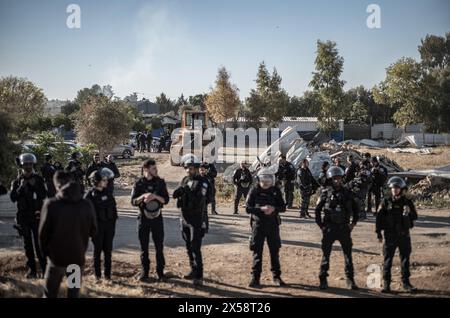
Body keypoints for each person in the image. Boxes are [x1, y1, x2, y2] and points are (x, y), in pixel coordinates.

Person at [39, 171, 97, 298]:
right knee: (73, 293)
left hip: (56, 260)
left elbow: (42, 235)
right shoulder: (86, 204)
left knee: (50, 293)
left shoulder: (51, 204)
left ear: (56, 185)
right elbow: (94, 231)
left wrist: (47, 254)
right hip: (76, 259)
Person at [315, 166, 359, 290]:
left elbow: (356, 209)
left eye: (339, 178)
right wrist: (321, 226)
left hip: (344, 228)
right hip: (329, 228)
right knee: (326, 256)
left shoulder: (347, 193)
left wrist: (353, 224)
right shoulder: (325, 193)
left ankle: (350, 280)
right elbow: (317, 211)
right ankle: (323, 279)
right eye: (334, 178)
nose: (337, 181)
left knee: (348, 256)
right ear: (330, 179)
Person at [376, 176, 418, 293]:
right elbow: (379, 218)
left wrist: (408, 213)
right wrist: (378, 233)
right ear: (390, 189)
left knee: (405, 259)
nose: (395, 189)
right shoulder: (386, 202)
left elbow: (415, 216)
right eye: (393, 187)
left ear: (401, 189)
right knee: (388, 260)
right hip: (390, 236)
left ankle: (406, 283)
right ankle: (386, 284)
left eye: (397, 187)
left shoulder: (407, 202)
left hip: (404, 235)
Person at [173, 155, 211, 286]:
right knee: (188, 246)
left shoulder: (203, 182)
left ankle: (199, 276)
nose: (188, 171)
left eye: (191, 168)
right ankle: (193, 270)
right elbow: (177, 194)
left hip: (196, 219)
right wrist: (178, 192)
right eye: (187, 168)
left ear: (196, 168)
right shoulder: (185, 179)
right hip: (184, 218)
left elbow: (200, 200)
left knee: (196, 247)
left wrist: (187, 192)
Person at [246, 168, 286, 288]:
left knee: (274, 251)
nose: (267, 181)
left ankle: (276, 277)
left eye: (269, 179)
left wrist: (274, 209)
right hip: (258, 226)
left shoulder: (275, 190)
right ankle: (255, 278)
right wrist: (261, 209)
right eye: (264, 179)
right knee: (257, 252)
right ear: (259, 179)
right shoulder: (254, 190)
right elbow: (248, 208)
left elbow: (283, 207)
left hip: (272, 225)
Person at [131, 159, 170, 281]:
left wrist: (154, 196)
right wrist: (143, 196)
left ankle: (160, 273)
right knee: (144, 248)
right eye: (153, 168)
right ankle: (145, 272)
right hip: (143, 218)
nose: (156, 170)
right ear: (146, 169)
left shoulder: (160, 182)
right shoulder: (138, 183)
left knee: (159, 246)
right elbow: (133, 201)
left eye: (156, 168)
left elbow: (166, 200)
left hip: (157, 218)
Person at [10, 153, 47, 278]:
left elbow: (44, 195)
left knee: (39, 244)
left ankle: (44, 269)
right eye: (26, 164)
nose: (28, 166)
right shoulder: (17, 181)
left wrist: (33, 186)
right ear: (21, 165)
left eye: (30, 164)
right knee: (28, 245)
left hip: (36, 216)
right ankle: (32, 270)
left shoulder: (39, 179)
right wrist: (21, 187)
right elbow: (13, 198)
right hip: (23, 217)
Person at [85, 169, 118, 281]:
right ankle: (98, 276)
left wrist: (112, 226)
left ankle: (108, 276)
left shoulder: (108, 193)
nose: (107, 181)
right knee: (97, 252)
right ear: (97, 181)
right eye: (104, 180)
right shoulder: (89, 196)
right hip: (97, 229)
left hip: (109, 228)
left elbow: (114, 211)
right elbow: (85, 215)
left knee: (108, 252)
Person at [199, 163, 214, 233]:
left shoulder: (207, 179)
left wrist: (208, 200)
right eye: (200, 170)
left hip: (204, 200)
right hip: (197, 200)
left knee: (204, 214)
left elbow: (210, 190)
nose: (202, 171)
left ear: (205, 170)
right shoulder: (196, 178)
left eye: (203, 170)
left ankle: (206, 228)